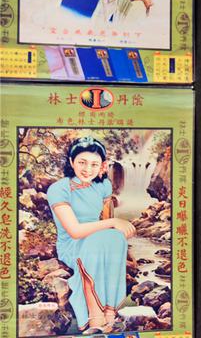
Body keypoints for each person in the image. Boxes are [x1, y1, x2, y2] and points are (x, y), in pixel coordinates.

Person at [46, 136, 136, 334]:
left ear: (102, 165)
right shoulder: (59, 188)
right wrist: (113, 223)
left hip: (98, 237)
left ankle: (110, 312)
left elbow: (106, 219)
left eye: (94, 164)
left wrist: (115, 232)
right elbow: (75, 230)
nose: (88, 169)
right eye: (82, 162)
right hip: (72, 243)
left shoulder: (102, 186)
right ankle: (95, 317)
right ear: (72, 162)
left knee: (116, 238)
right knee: (96, 242)